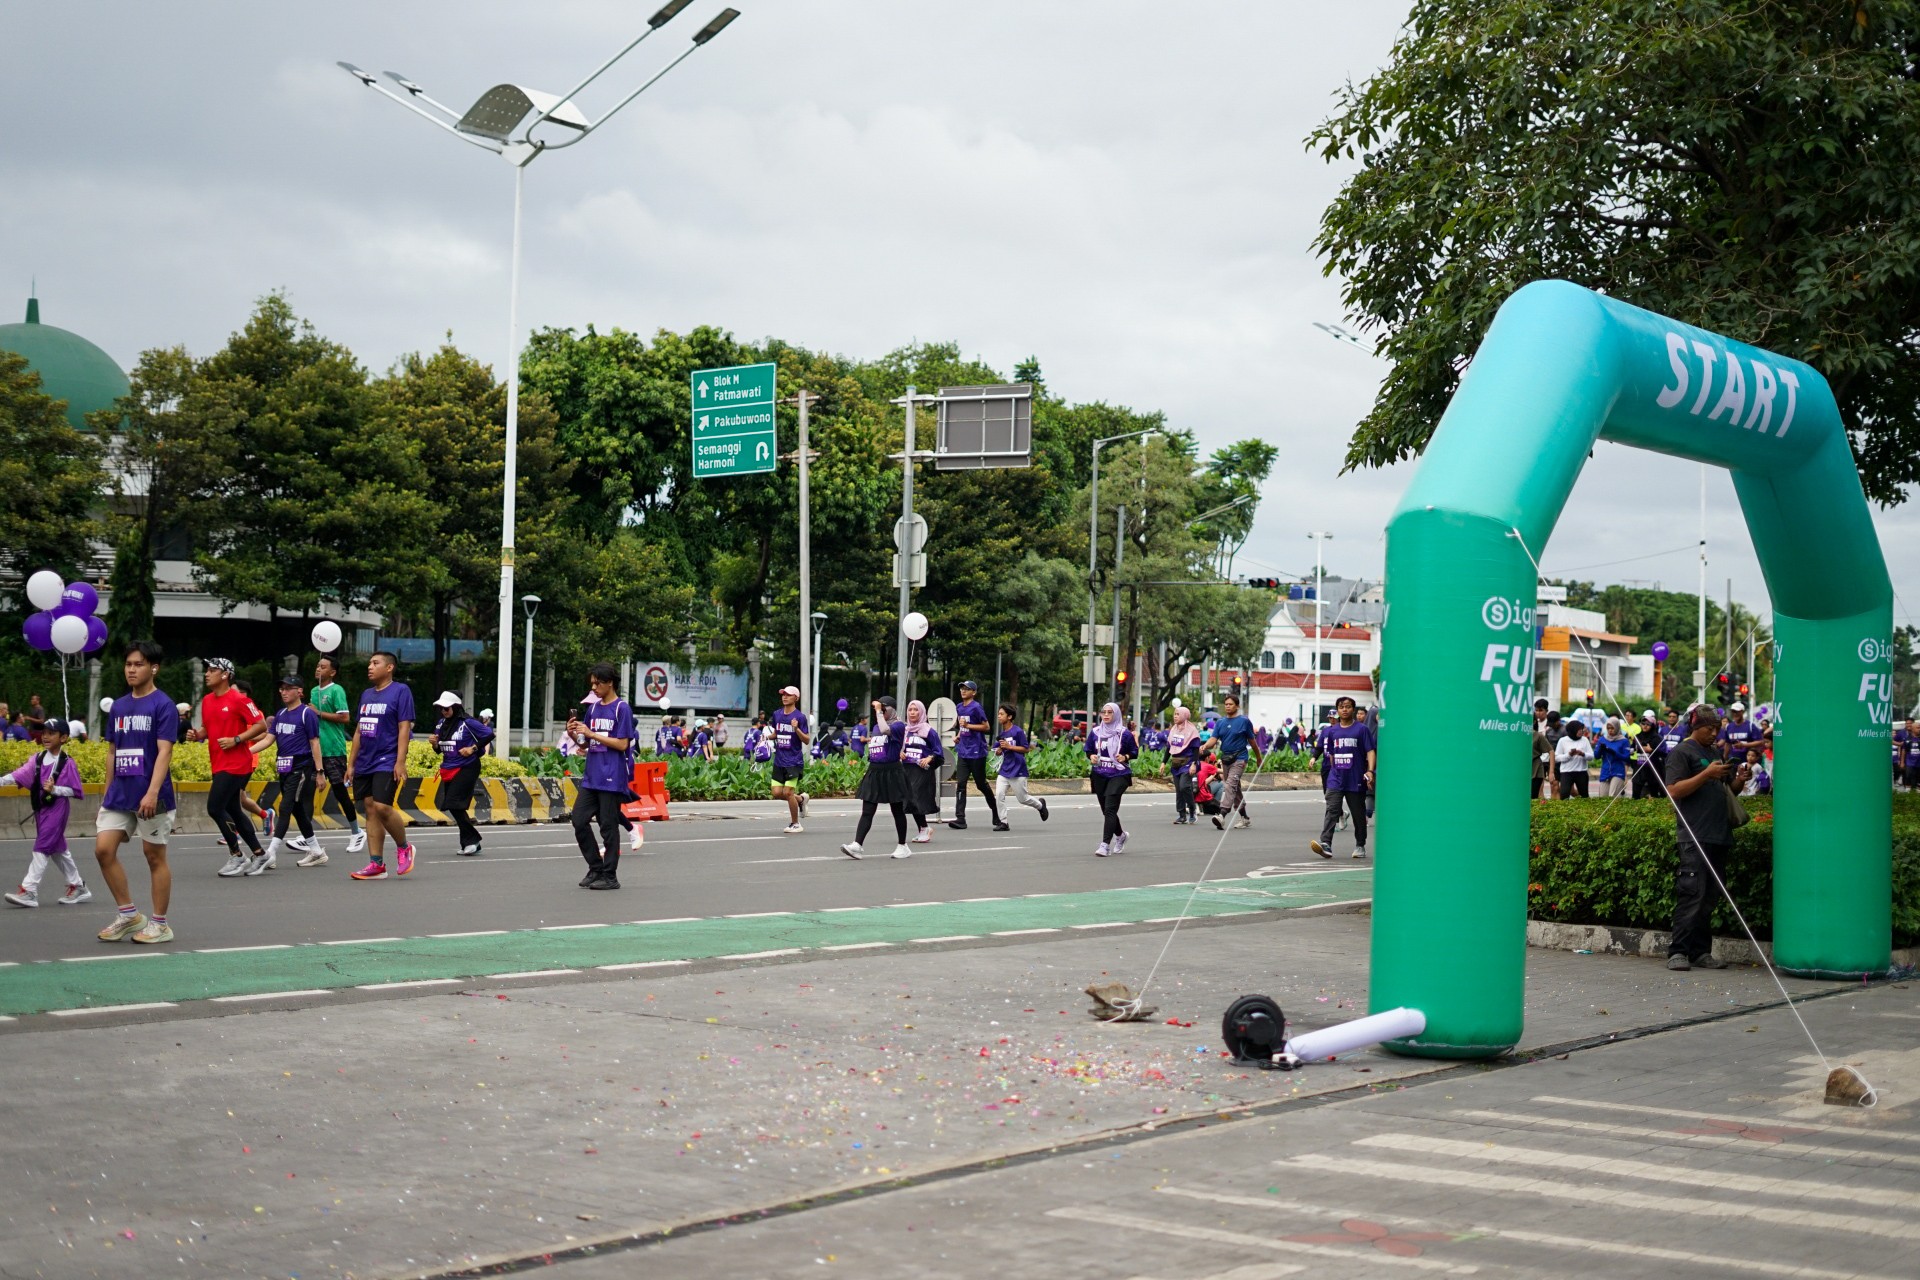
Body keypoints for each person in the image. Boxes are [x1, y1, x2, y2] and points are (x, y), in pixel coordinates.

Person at [94, 641, 179, 944]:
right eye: (128, 664)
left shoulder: (163, 705)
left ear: (153, 668)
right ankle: (128, 914)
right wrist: (107, 792)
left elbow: (165, 751)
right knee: (103, 850)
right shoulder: (118, 706)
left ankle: (160, 924)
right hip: (120, 794)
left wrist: (152, 792)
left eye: (138, 664)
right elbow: (112, 752)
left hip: (152, 795)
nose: (131, 669)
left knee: (154, 856)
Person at [1663, 705, 1749, 971]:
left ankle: (1701, 952)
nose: (1714, 734)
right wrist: (1705, 774)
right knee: (1692, 895)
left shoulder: (1713, 752)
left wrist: (1739, 780)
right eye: (1709, 729)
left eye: (1717, 729)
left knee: (1709, 897)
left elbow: (1726, 789)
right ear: (1696, 727)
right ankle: (1678, 952)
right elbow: (1674, 790)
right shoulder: (1681, 752)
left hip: (1718, 834)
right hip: (1694, 835)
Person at [190, 658, 269, 876]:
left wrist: (237, 739)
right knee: (233, 809)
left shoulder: (239, 699)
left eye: (212, 670)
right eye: (207, 670)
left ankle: (237, 855)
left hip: (237, 764)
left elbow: (261, 725)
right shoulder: (207, 700)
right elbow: (207, 729)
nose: (207, 674)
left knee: (215, 808)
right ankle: (260, 854)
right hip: (218, 763)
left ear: (225, 675)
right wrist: (197, 735)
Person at [2, 717, 90, 908]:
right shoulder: (38, 758)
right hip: (41, 809)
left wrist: (55, 789)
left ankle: (29, 891)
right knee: (58, 850)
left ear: (64, 738)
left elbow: (75, 791)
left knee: (41, 847)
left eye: (51, 733)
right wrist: (2, 781)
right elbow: (18, 774)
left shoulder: (67, 763)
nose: (46, 737)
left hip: (57, 810)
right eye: (44, 733)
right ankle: (78, 886)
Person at [344, 651, 417, 881]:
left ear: (389, 667)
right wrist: (351, 764)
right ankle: (376, 864)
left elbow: (404, 728)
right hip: (365, 760)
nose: (370, 666)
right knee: (370, 808)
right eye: (369, 663)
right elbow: (359, 730)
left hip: (387, 758)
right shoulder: (366, 695)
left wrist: (400, 761)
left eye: (375, 663)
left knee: (382, 806)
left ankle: (404, 847)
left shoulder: (401, 691)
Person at [567, 663, 635, 889]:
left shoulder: (621, 709)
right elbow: (586, 743)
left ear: (610, 683)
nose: (594, 688)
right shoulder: (594, 709)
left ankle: (610, 876)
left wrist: (591, 733)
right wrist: (574, 734)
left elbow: (622, 744)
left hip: (612, 776)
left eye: (598, 683)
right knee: (579, 820)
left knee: (608, 826)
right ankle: (595, 868)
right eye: (592, 684)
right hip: (592, 776)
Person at [843, 695, 913, 860]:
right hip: (875, 771)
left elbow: (885, 730)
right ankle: (857, 845)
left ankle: (903, 845)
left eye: (883, 709)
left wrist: (878, 711)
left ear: (892, 710)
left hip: (892, 772)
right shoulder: (875, 727)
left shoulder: (898, 725)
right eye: (879, 709)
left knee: (897, 810)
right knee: (867, 810)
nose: (880, 712)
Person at [266, 675, 325, 868]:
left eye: (288, 688)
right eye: (281, 688)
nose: (283, 692)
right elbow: (268, 739)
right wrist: (246, 752)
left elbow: (315, 743)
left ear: (299, 691)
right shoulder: (281, 714)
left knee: (285, 807)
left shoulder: (307, 714)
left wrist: (320, 772)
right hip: (284, 768)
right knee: (298, 810)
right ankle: (316, 851)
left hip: (300, 768)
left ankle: (270, 853)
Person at [1310, 695, 1375, 859]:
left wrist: (1370, 771)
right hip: (1336, 779)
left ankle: (1360, 845)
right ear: (1337, 710)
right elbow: (1332, 755)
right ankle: (1326, 843)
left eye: (1347, 706)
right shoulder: (1332, 731)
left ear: (1353, 709)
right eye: (1341, 707)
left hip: (1355, 779)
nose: (1344, 709)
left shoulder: (1361, 730)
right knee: (1332, 810)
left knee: (1358, 814)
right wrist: (1334, 771)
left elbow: (1370, 751)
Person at [311, 655, 364, 854]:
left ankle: (356, 831)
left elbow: (345, 717)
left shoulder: (336, 690)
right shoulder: (313, 691)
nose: (318, 669)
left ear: (332, 672)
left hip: (334, 749)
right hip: (316, 750)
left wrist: (318, 713)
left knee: (340, 792)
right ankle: (308, 837)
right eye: (318, 665)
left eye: (323, 667)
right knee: (307, 792)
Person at [430, 690, 493, 856]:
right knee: (453, 805)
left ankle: (472, 841)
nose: (444, 711)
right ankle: (470, 842)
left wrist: (472, 748)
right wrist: (434, 744)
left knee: (453, 803)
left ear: (456, 707)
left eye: (447, 708)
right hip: (448, 768)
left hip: (467, 767)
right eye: (441, 708)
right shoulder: (441, 724)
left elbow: (489, 734)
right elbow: (440, 750)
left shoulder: (468, 722)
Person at [948, 679, 1003, 832]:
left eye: (967, 689)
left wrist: (968, 726)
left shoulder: (976, 707)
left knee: (981, 785)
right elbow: (962, 727)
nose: (963, 691)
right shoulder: (959, 707)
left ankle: (996, 813)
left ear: (973, 692)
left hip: (977, 752)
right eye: (962, 688)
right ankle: (960, 818)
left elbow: (986, 726)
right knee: (961, 784)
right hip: (963, 751)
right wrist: (959, 736)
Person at [1084, 701, 1137, 857]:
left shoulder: (1124, 734)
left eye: (1110, 712)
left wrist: (1125, 757)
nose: (1106, 715)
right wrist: (1091, 756)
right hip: (1099, 773)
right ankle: (1121, 835)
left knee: (1110, 809)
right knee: (1106, 810)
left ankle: (1105, 845)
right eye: (1104, 712)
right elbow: (1088, 750)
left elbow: (1134, 751)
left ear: (1116, 714)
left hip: (1119, 774)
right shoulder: (1095, 732)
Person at [991, 704, 1049, 825]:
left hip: (1018, 769)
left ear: (1009, 716)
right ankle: (1003, 822)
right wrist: (999, 751)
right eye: (998, 714)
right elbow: (996, 750)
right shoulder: (1002, 734)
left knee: (1023, 799)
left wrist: (1010, 747)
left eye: (1001, 714)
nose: (999, 716)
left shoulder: (1018, 731)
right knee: (999, 795)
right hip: (1004, 769)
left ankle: (1040, 806)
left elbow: (1026, 749)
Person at [1206, 692, 1256, 830]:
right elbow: (1213, 739)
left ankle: (1222, 815)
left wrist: (1258, 758)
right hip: (1226, 759)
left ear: (1237, 706)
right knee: (1235, 789)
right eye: (1226, 704)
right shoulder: (1220, 722)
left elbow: (1252, 741)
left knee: (1229, 786)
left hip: (1240, 759)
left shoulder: (1244, 721)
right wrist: (1204, 746)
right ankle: (1245, 818)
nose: (1227, 706)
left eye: (1230, 704)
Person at [900, 699, 945, 843]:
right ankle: (923, 828)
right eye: (910, 710)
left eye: (916, 710)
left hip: (922, 771)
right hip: (907, 770)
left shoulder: (929, 731)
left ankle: (924, 828)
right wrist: (900, 753)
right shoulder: (905, 731)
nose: (912, 713)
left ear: (921, 712)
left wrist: (929, 758)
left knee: (915, 797)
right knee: (910, 801)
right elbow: (899, 748)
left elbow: (939, 753)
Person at [769, 685, 811, 833]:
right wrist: (765, 738)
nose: (784, 697)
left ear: (796, 698)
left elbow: (806, 740)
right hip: (779, 760)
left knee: (787, 792)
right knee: (776, 793)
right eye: (783, 694)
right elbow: (776, 733)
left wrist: (796, 729)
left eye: (788, 694)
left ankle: (795, 824)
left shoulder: (800, 717)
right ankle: (801, 800)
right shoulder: (777, 714)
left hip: (794, 761)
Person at [1166, 705, 1202, 825]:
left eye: (1178, 714)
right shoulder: (1173, 730)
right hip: (1176, 763)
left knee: (1184, 787)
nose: (1175, 716)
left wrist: (1194, 764)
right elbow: (1169, 748)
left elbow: (1196, 750)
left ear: (1184, 715)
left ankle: (1192, 810)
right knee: (1179, 790)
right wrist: (1163, 762)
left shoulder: (1192, 731)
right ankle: (1182, 815)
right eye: (1175, 714)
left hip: (1188, 762)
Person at [1555, 719, 1594, 798]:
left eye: (1582, 729)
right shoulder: (1563, 741)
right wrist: (1569, 755)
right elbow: (1557, 757)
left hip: (1581, 771)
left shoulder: (1585, 740)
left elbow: (1591, 757)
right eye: (1579, 730)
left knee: (1584, 795)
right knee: (1564, 794)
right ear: (1573, 730)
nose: (1581, 732)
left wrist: (1583, 754)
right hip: (1566, 772)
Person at [1594, 717, 1633, 798]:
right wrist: (1600, 749)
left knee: (1613, 797)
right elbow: (1596, 756)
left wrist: (1614, 753)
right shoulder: (1602, 739)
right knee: (1603, 798)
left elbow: (1627, 757)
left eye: (1612, 728)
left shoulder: (1624, 740)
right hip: (1605, 771)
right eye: (1608, 728)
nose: (1610, 730)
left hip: (1618, 771)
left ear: (1617, 727)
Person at [1531, 699, 1552, 800]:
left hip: (1546, 759)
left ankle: (1543, 806)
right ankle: (1542, 806)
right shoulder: (1532, 723)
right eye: (1536, 710)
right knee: (1539, 790)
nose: (1538, 713)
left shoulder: (1550, 724)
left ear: (1546, 711)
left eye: (1541, 710)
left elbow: (1550, 748)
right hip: (1536, 759)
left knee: (1542, 787)